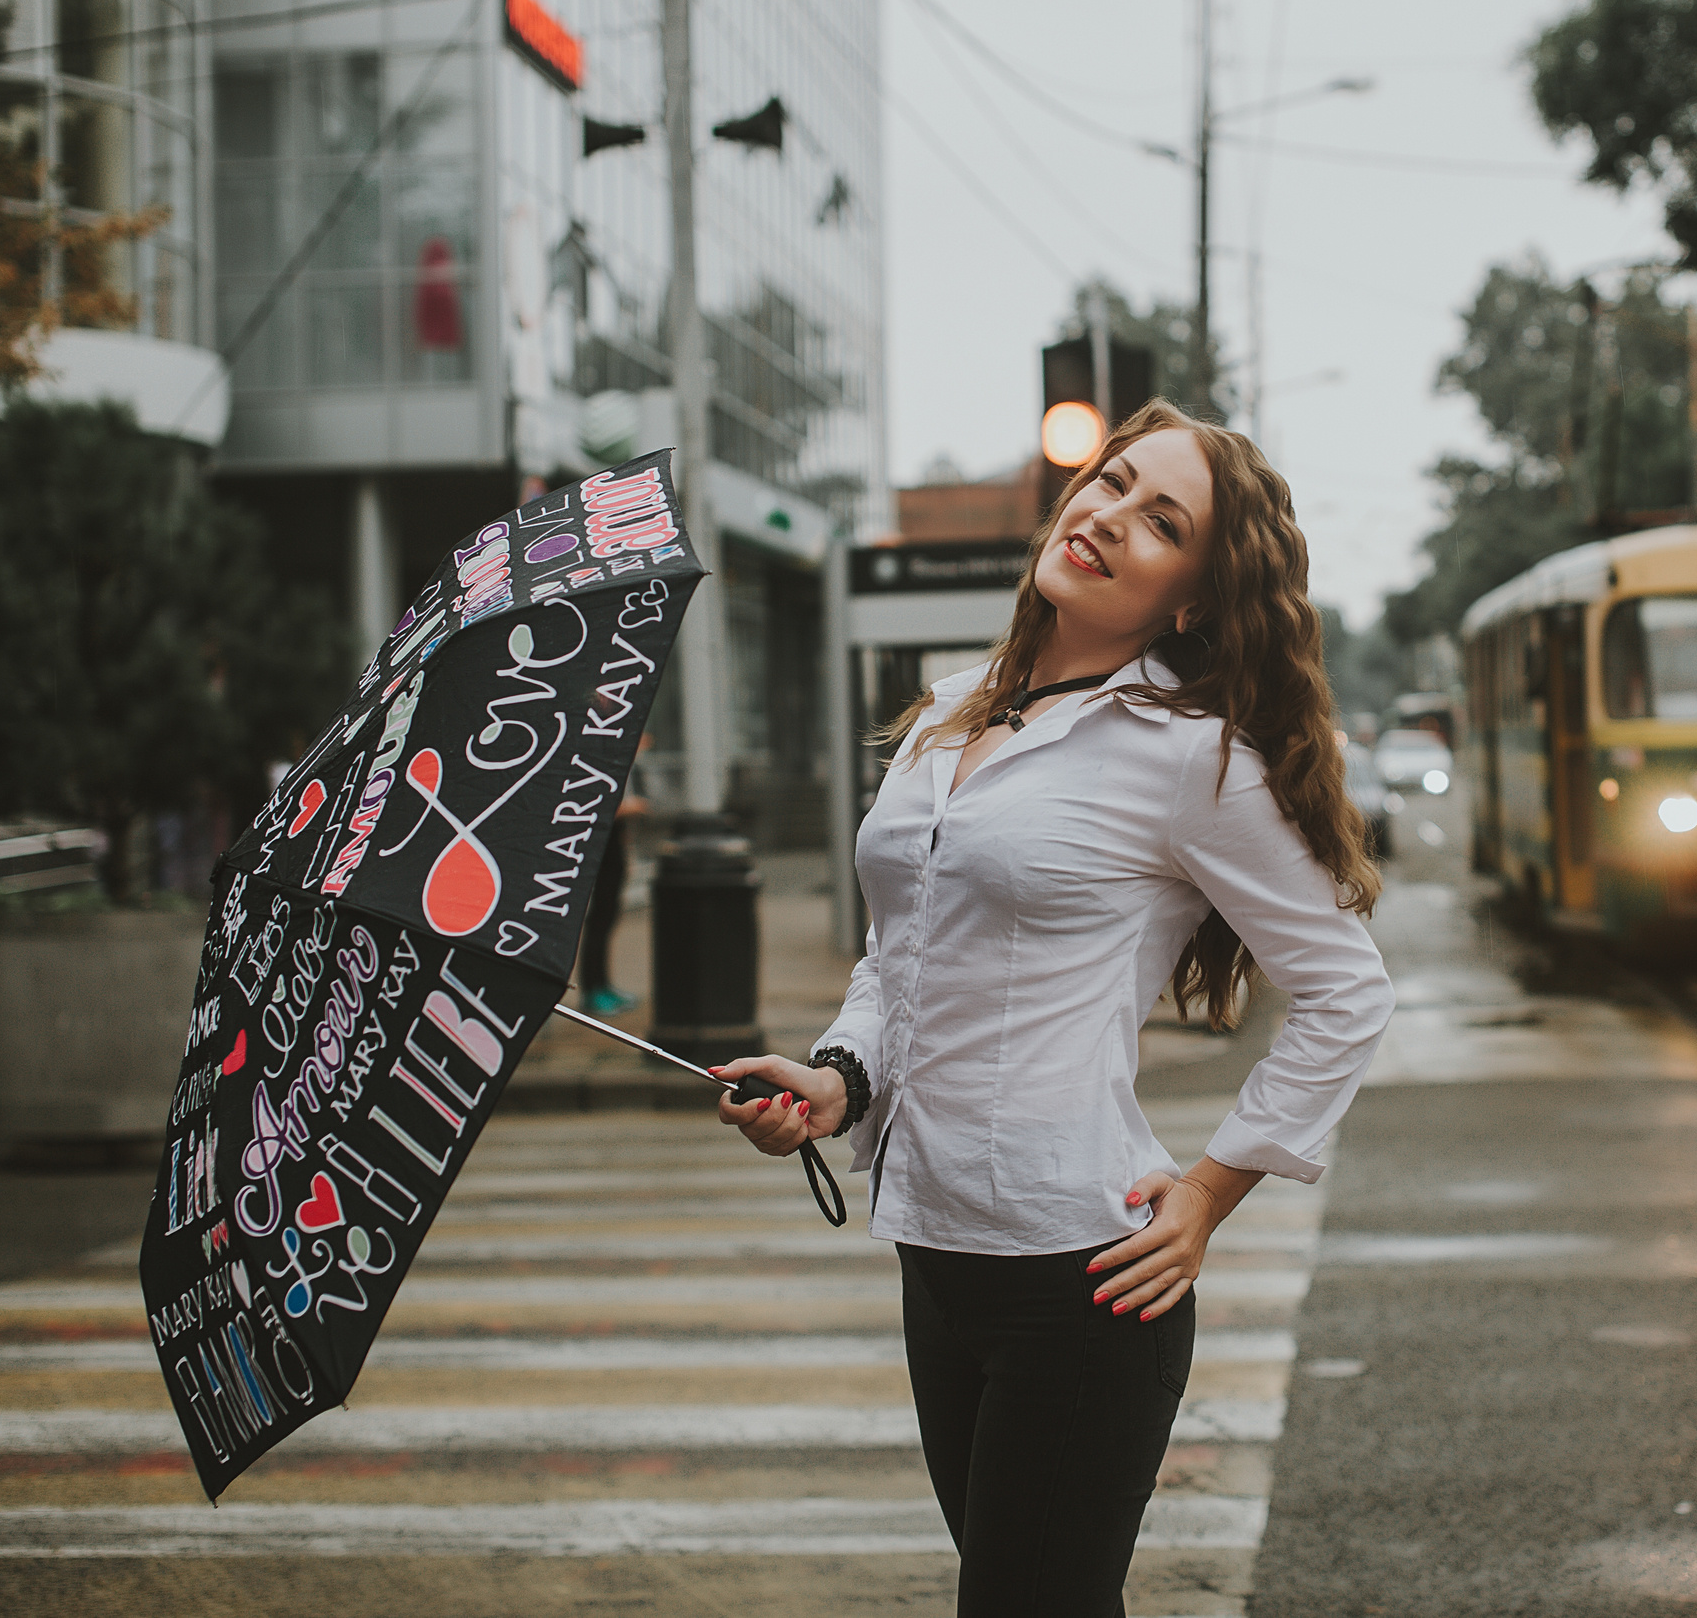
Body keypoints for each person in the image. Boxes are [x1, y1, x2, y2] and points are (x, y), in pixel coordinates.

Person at [709, 401, 1394, 1616]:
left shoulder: (1189, 756)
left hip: (1081, 1278)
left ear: (1191, 600)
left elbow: (1346, 990)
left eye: (1162, 521)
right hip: (935, 1258)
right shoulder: (949, 712)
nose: (1110, 516)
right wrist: (837, 1081)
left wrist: (1208, 1192)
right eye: (1111, 482)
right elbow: (900, 955)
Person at [576, 731, 652, 1015]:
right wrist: (631, 808)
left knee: (608, 917)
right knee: (599, 921)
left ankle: (604, 984)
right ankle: (593, 990)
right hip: (600, 851)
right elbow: (595, 808)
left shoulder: (626, 768)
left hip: (614, 850)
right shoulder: (602, 764)